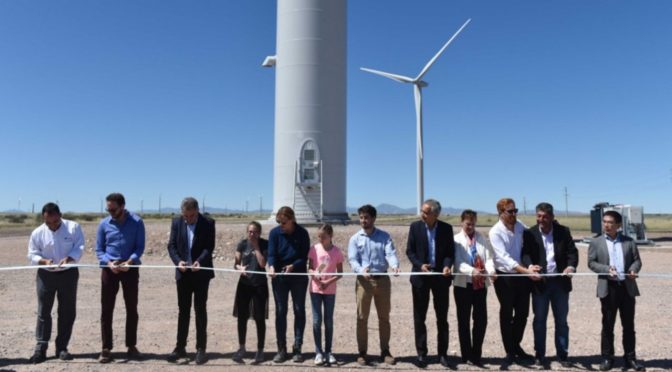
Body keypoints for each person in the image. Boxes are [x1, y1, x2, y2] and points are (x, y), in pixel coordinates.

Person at [521, 202, 578, 368]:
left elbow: (572, 252)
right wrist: (530, 266)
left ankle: (563, 355)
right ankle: (539, 355)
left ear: (552, 217)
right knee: (539, 321)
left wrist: (570, 266)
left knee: (561, 321)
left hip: (560, 284)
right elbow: (525, 254)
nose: (541, 220)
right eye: (538, 216)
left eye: (545, 217)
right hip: (540, 284)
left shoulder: (563, 231)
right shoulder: (529, 233)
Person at [26, 202, 84, 363]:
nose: (52, 225)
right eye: (48, 222)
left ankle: (62, 347)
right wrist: (43, 261)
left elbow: (79, 247)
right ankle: (41, 348)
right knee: (44, 311)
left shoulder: (73, 227)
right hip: (46, 275)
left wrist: (70, 258)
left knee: (67, 311)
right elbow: (32, 254)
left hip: (68, 274)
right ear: (43, 218)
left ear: (60, 215)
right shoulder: (37, 232)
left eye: (55, 221)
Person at [588, 210, 644, 371]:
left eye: (610, 222)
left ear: (618, 225)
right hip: (608, 288)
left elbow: (636, 261)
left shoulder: (629, 242)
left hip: (627, 288)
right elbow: (591, 263)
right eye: (605, 221)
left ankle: (630, 359)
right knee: (607, 325)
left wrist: (633, 270)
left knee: (628, 325)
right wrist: (606, 269)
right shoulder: (596, 242)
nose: (606, 224)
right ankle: (607, 358)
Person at [95, 192, 145, 363]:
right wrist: (109, 263)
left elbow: (139, 247)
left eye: (113, 209)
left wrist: (130, 261)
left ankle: (131, 345)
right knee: (106, 309)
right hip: (110, 270)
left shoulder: (137, 222)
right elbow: (99, 250)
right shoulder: (103, 224)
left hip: (130, 269)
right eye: (108, 209)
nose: (111, 212)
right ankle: (106, 348)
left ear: (122, 206)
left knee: (132, 308)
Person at [348, 204, 400, 366]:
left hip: (383, 280)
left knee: (384, 318)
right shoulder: (355, 239)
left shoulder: (384, 236)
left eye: (366, 217)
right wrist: (360, 270)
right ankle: (362, 352)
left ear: (373, 218)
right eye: (361, 217)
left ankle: (385, 351)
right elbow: (352, 259)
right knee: (362, 318)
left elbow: (390, 252)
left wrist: (394, 265)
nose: (363, 220)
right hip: (364, 282)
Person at [405, 199, 454, 368]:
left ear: (436, 214)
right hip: (421, 278)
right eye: (422, 211)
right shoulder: (415, 227)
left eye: (426, 212)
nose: (422, 214)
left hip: (440, 278)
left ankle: (443, 354)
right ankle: (421, 354)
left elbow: (449, 252)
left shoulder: (446, 229)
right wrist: (420, 265)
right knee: (420, 317)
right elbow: (409, 251)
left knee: (442, 318)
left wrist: (447, 265)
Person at [489, 198, 537, 367]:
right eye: (510, 211)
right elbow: (504, 258)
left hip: (522, 276)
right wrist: (526, 271)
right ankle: (510, 351)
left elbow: (532, 235)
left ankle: (516, 345)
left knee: (523, 313)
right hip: (505, 277)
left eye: (515, 210)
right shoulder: (495, 232)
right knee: (507, 312)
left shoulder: (519, 225)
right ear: (501, 213)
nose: (514, 214)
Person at [166, 197, 215, 365]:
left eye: (191, 216)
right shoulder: (176, 222)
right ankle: (180, 347)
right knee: (183, 311)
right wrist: (178, 261)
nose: (188, 219)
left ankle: (201, 349)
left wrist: (199, 261)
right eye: (185, 216)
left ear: (197, 211)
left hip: (201, 274)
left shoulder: (208, 223)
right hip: (183, 274)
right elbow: (171, 246)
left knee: (200, 310)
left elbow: (209, 247)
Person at [453, 209, 496, 367]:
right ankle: (466, 354)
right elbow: (457, 262)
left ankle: (476, 353)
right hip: (463, 285)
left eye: (473, 223)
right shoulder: (456, 239)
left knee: (481, 320)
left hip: (480, 286)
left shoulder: (482, 238)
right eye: (467, 223)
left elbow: (489, 258)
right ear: (462, 222)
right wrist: (472, 271)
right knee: (463, 320)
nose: (470, 226)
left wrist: (491, 271)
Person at [267, 206, 310, 363]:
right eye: (279, 222)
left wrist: (293, 266)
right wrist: (271, 266)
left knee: (299, 310)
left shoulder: (302, 233)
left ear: (292, 220)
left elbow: (304, 256)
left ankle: (297, 347)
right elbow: (271, 254)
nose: (281, 225)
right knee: (280, 311)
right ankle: (281, 349)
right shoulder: (274, 233)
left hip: (298, 276)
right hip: (280, 278)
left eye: (284, 222)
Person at [232, 221, 269, 364]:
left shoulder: (264, 244)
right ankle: (241, 347)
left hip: (259, 285)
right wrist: (239, 268)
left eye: (255, 232)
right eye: (250, 231)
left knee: (259, 318)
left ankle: (260, 350)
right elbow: (236, 263)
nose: (252, 234)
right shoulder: (242, 244)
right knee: (242, 317)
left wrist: (256, 247)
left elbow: (262, 264)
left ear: (259, 233)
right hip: (244, 285)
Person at [307, 223, 344, 366]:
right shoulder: (313, 249)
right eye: (319, 236)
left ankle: (328, 352)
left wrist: (328, 282)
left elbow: (340, 273)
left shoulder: (337, 252)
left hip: (330, 291)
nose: (320, 239)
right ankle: (318, 352)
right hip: (315, 289)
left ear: (331, 236)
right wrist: (315, 275)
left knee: (328, 321)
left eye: (323, 237)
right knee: (317, 321)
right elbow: (309, 268)